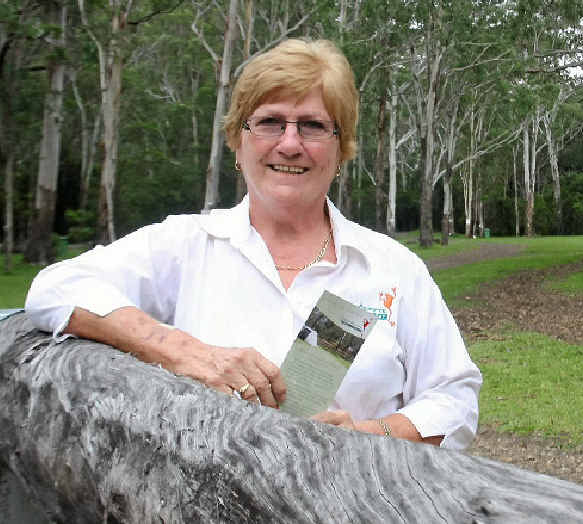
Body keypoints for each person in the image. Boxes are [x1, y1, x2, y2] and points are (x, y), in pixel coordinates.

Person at [24, 39, 481, 450]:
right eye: (269, 123)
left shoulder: (390, 268)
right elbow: (55, 288)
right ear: (236, 143)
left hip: (359, 500)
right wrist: (185, 353)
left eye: (313, 126)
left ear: (341, 149)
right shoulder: (187, 245)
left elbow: (455, 398)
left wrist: (367, 436)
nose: (290, 144)